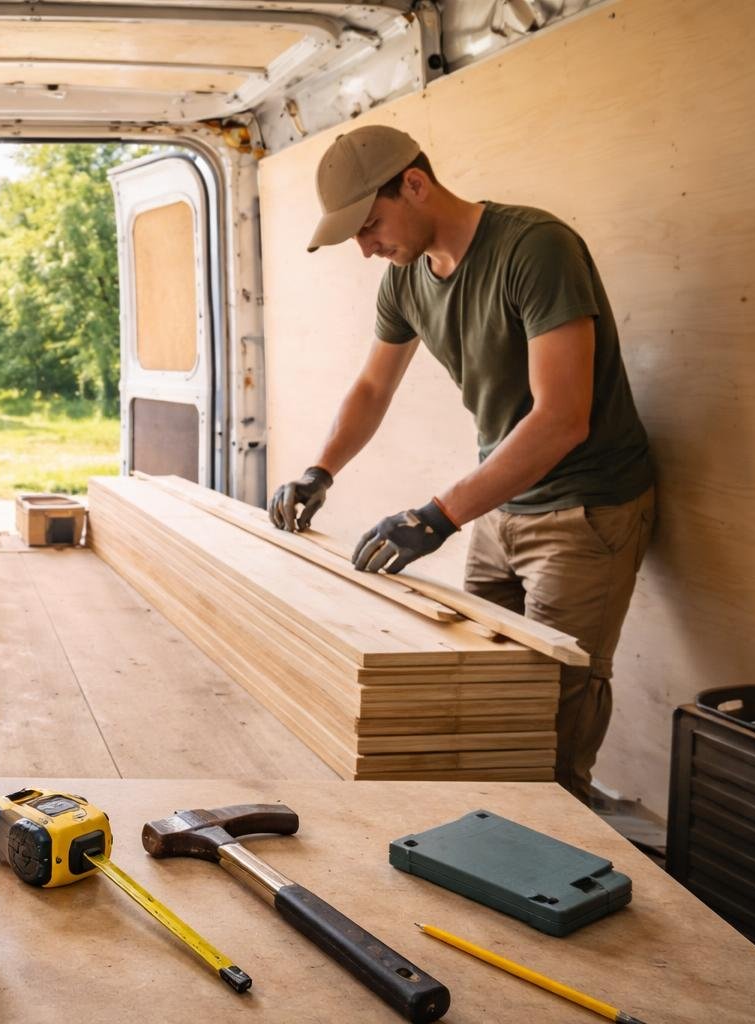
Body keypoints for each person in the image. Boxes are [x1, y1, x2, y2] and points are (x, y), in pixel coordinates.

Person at [270, 125, 654, 801]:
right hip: (499, 504)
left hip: (585, 510)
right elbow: (371, 388)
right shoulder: (407, 278)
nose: (366, 250)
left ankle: (563, 856)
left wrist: (439, 514)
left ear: (415, 185)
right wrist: (320, 471)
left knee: (556, 716)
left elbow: (562, 419)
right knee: (486, 697)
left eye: (370, 225)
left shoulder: (535, 249)